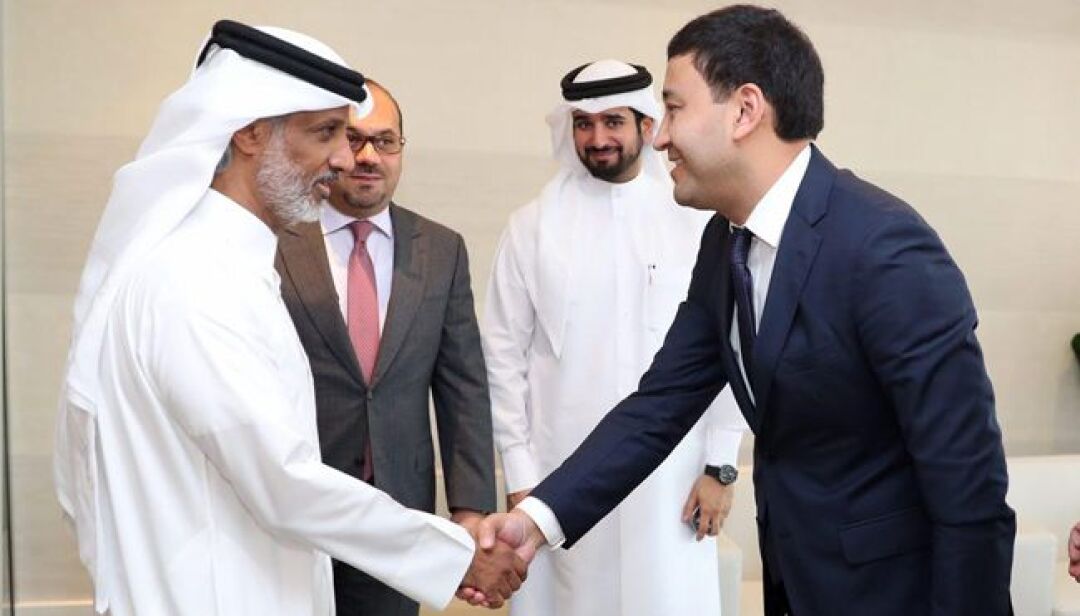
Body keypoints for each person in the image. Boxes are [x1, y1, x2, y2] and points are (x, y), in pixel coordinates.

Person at [475, 6, 1016, 615]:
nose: (660, 137)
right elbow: (659, 406)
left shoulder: (883, 248)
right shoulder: (725, 240)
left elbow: (968, 486)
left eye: (674, 109)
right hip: (798, 585)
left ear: (745, 110)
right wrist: (536, 520)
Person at [53, 20, 523, 615]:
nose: (342, 158)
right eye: (325, 132)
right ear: (250, 132)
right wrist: (456, 556)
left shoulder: (228, 264)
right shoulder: (194, 279)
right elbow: (282, 481)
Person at [482, 59, 746, 616]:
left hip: (671, 477)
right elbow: (502, 358)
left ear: (647, 125)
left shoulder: (698, 221)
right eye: (584, 123)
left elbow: (729, 347)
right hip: (563, 471)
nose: (597, 138)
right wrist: (521, 475)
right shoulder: (531, 227)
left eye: (613, 122)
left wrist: (720, 465)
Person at [276, 78, 497, 616]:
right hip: (296, 510)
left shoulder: (441, 250)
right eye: (353, 139)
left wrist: (470, 508)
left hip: (400, 513)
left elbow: (463, 387)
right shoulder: (276, 242)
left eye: (385, 141)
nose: (368, 156)